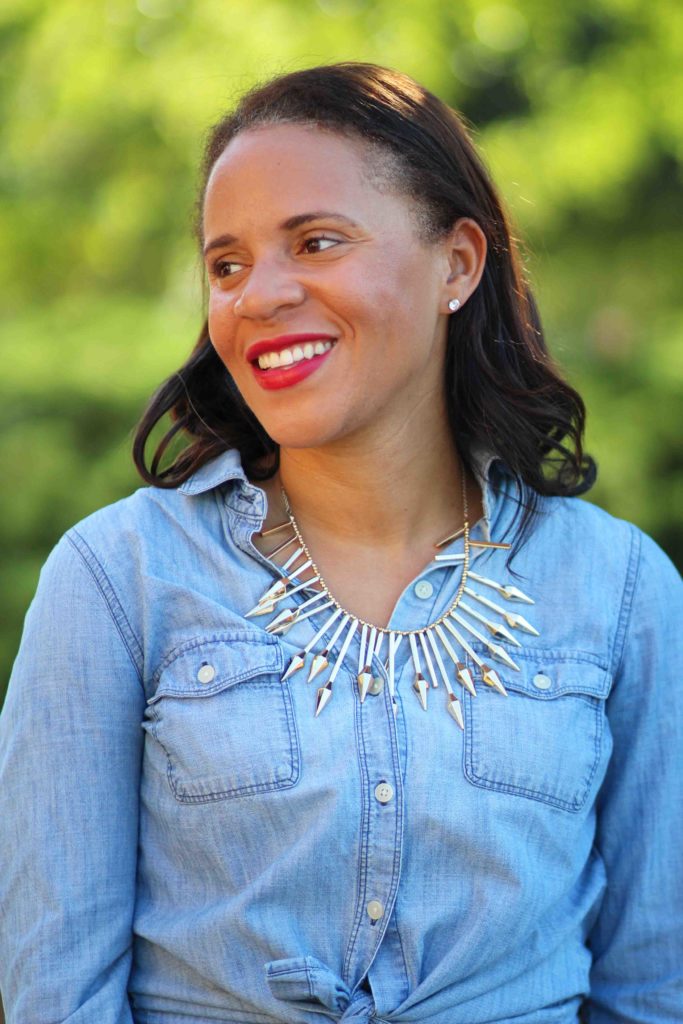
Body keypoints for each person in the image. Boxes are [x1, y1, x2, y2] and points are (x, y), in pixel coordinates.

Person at [0, 62, 681, 1024]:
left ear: (457, 263)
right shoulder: (118, 581)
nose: (258, 296)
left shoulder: (618, 591)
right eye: (226, 264)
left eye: (315, 242)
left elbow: (653, 988)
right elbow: (55, 997)